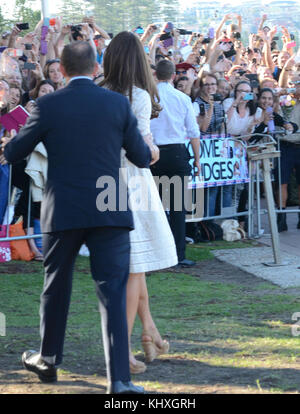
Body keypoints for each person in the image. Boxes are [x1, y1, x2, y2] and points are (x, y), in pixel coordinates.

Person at [2, 41, 156, 395]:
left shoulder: (48, 104)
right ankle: (119, 380)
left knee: (56, 286)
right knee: (112, 291)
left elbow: (15, 151)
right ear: (95, 68)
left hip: (65, 206)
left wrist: (10, 144)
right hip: (111, 203)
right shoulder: (118, 103)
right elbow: (139, 156)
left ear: (65, 71)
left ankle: (48, 359)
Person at [100, 31, 177, 374]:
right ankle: (122, 352)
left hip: (105, 182)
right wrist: (155, 151)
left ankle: (149, 334)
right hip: (131, 182)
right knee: (132, 267)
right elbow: (142, 151)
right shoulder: (139, 96)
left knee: (136, 262)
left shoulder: (99, 93)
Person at [150, 59, 200, 267]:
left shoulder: (149, 97)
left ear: (155, 75)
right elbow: (193, 132)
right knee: (178, 206)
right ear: (173, 76)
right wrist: (197, 159)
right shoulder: (182, 98)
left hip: (152, 154)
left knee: (154, 206)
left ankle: (155, 253)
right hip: (177, 153)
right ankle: (178, 255)